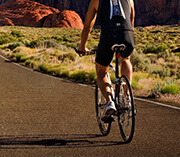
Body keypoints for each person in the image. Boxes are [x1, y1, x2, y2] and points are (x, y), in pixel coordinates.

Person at [78, 0, 135, 120]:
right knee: (126, 59)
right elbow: (131, 21)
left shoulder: (96, 1)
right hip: (127, 35)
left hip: (108, 37)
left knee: (101, 71)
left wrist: (82, 46)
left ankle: (110, 103)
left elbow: (87, 26)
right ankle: (127, 97)